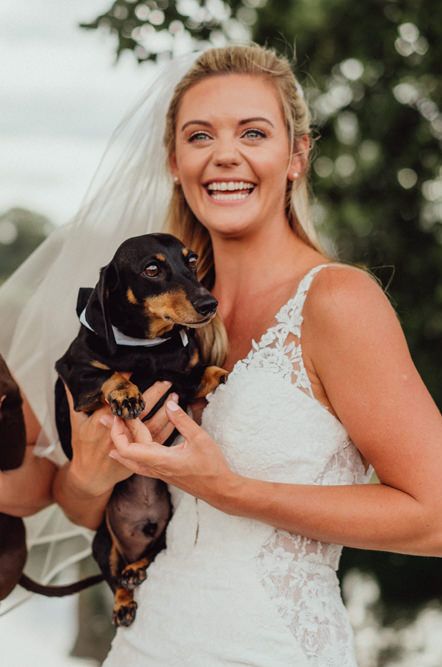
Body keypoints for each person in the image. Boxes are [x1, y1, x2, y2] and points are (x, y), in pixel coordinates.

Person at [1, 43, 441, 664]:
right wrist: (92, 473)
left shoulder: (337, 301)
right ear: (175, 161)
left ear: (296, 156)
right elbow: (82, 511)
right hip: (142, 645)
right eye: (200, 135)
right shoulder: (141, 324)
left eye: (253, 133)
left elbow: (436, 519)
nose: (224, 154)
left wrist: (229, 489)